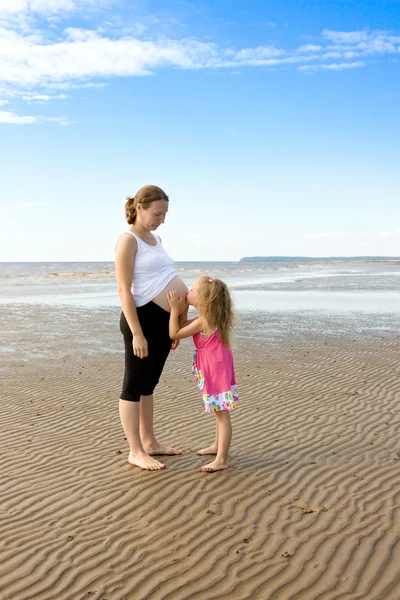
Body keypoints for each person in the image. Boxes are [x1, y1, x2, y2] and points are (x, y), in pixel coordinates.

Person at [115, 185, 188, 471]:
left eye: (165, 213)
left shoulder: (156, 238)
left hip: (162, 322)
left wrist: (177, 321)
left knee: (149, 385)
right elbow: (124, 290)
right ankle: (135, 451)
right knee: (133, 386)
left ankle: (150, 443)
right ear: (140, 207)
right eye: (158, 213)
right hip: (142, 320)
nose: (162, 218)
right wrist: (137, 333)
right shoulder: (128, 240)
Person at [167, 276, 238, 472]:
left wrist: (174, 309)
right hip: (216, 365)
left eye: (191, 291)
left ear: (203, 300)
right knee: (218, 411)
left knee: (222, 414)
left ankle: (222, 459)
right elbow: (183, 327)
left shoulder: (204, 320)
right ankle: (217, 446)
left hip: (214, 368)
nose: (187, 292)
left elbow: (174, 333)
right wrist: (187, 306)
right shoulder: (208, 317)